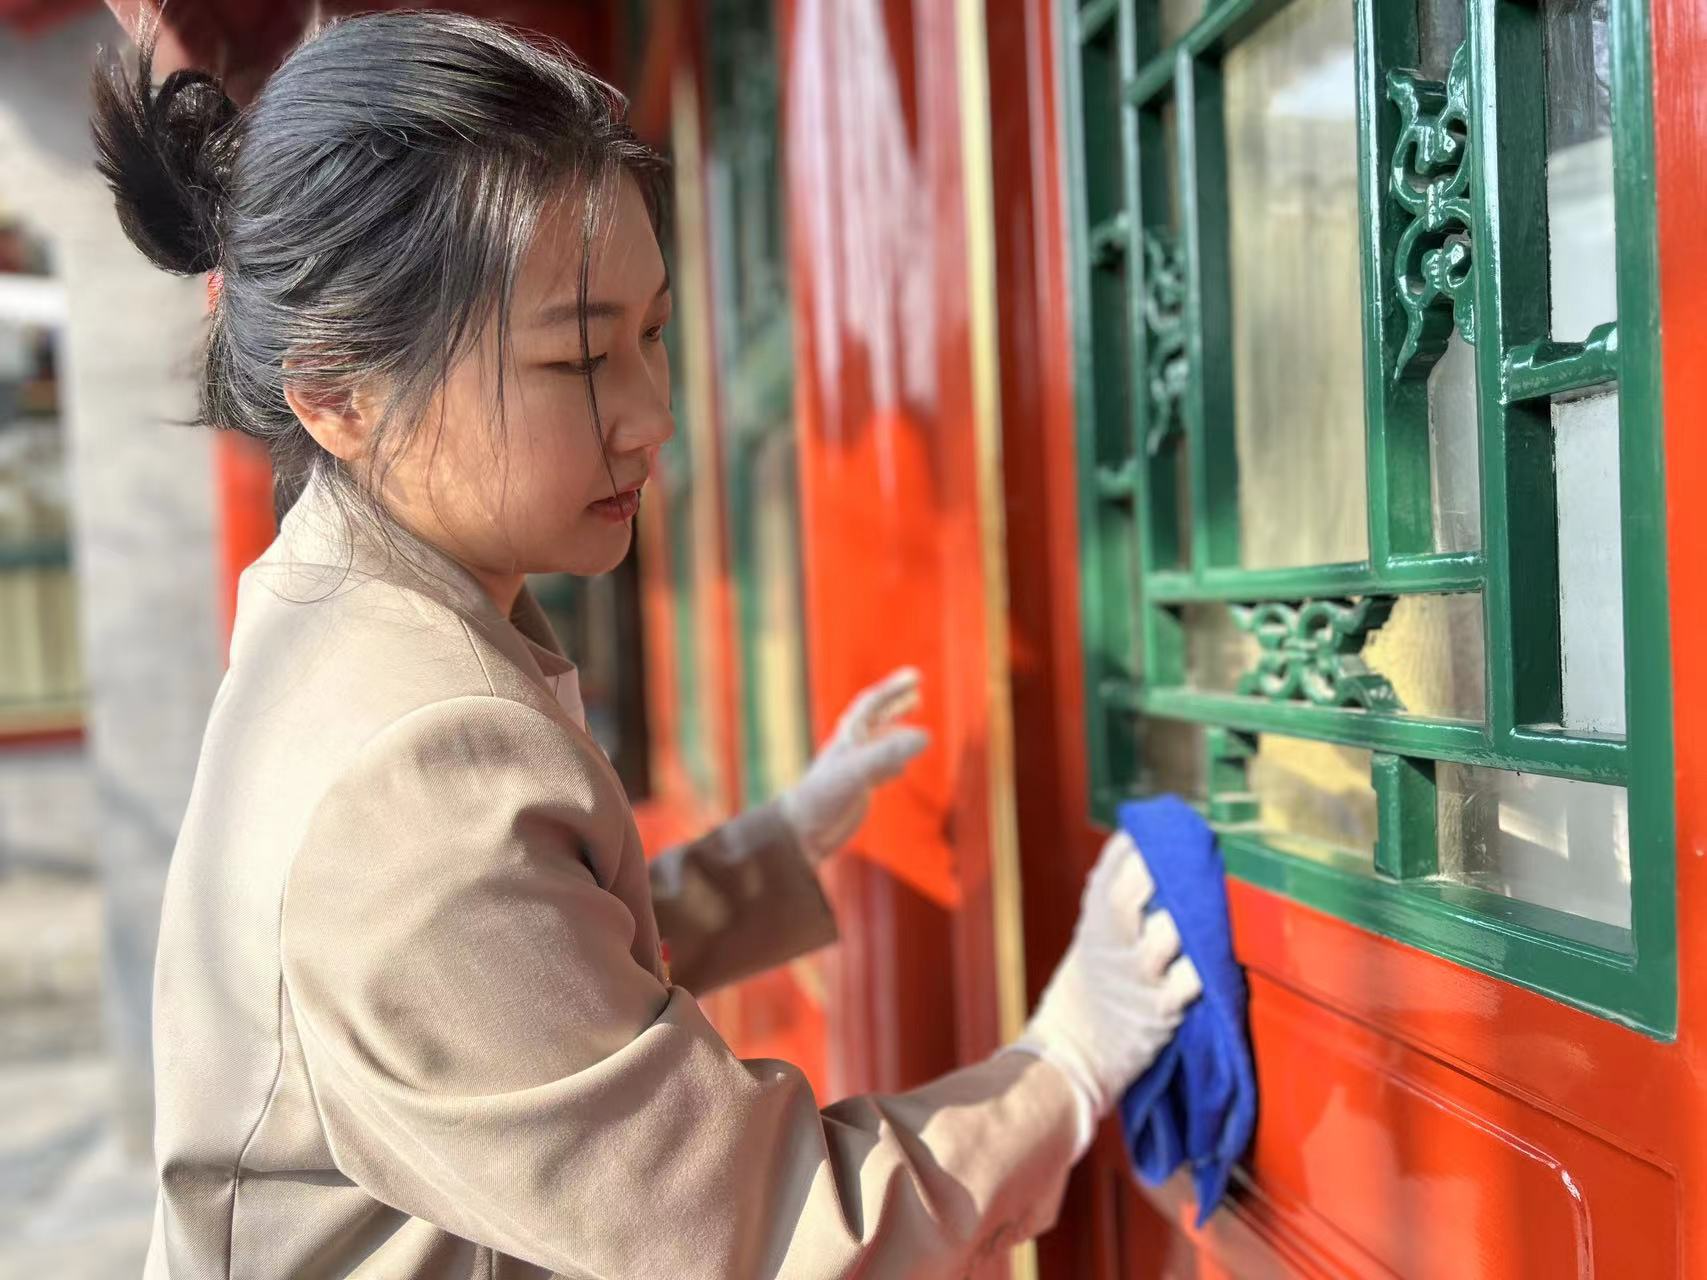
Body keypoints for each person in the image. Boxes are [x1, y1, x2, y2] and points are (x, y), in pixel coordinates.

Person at [95, 11, 1201, 1278]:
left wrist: (776, 846)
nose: (649, 415)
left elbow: (525, 977)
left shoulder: (340, 618)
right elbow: (761, 1231)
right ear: (339, 392)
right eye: (578, 358)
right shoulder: (411, 770)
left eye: (653, 335)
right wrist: (1065, 1063)